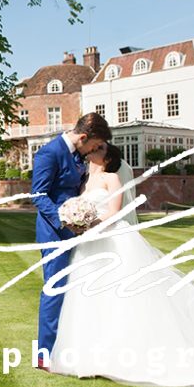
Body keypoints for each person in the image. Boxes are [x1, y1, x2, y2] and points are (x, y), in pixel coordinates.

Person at [47, 144, 194, 387]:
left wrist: (93, 222)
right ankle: (88, 357)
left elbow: (115, 212)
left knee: (121, 298)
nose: (90, 153)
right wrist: (77, 221)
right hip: (89, 244)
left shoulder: (112, 178)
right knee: (88, 299)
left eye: (96, 150)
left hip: (112, 239)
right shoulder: (84, 181)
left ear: (106, 156)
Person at [30, 112, 111, 369]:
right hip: (54, 231)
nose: (94, 151)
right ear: (84, 137)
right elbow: (39, 195)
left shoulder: (79, 155)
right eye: (95, 146)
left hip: (78, 229)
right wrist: (65, 220)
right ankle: (44, 354)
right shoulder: (48, 154)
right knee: (55, 288)